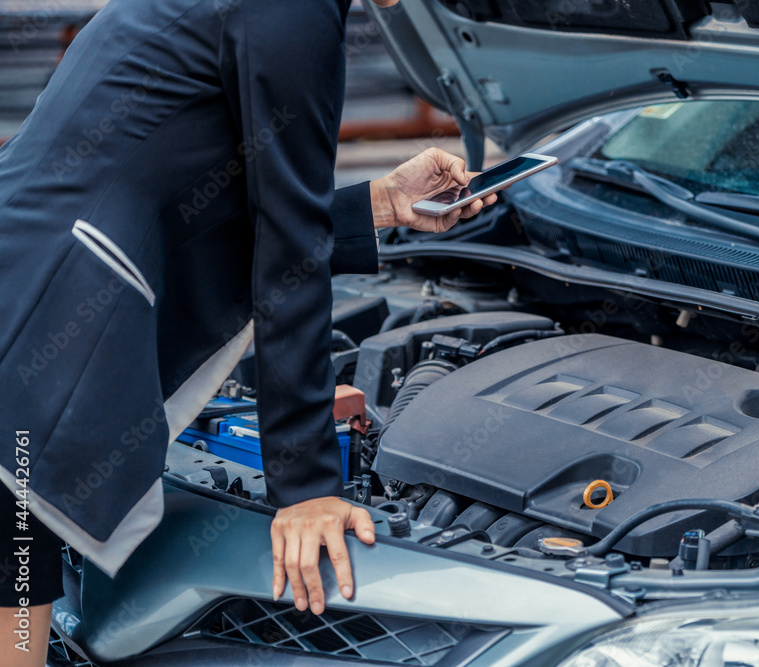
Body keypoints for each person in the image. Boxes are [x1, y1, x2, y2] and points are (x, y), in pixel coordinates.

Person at [0, 0, 496, 664]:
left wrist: (379, 204)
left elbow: (208, 187)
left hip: (32, 294)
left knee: (21, 595)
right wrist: (308, 489)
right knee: (20, 615)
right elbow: (289, 248)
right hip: (43, 334)